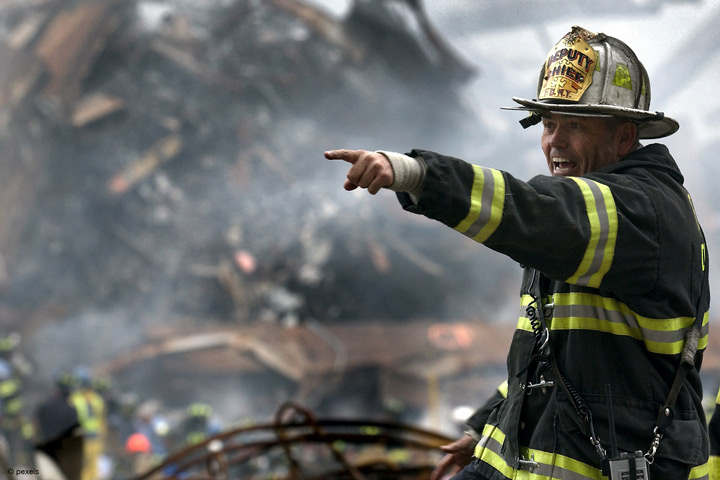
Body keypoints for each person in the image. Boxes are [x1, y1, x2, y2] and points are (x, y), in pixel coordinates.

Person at [325, 25, 710, 480]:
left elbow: (535, 212)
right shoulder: (587, 218)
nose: (555, 142)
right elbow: (553, 352)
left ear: (624, 138)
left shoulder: (641, 211)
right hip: (523, 458)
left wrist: (418, 174)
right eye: (548, 124)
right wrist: (491, 423)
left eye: (576, 126)